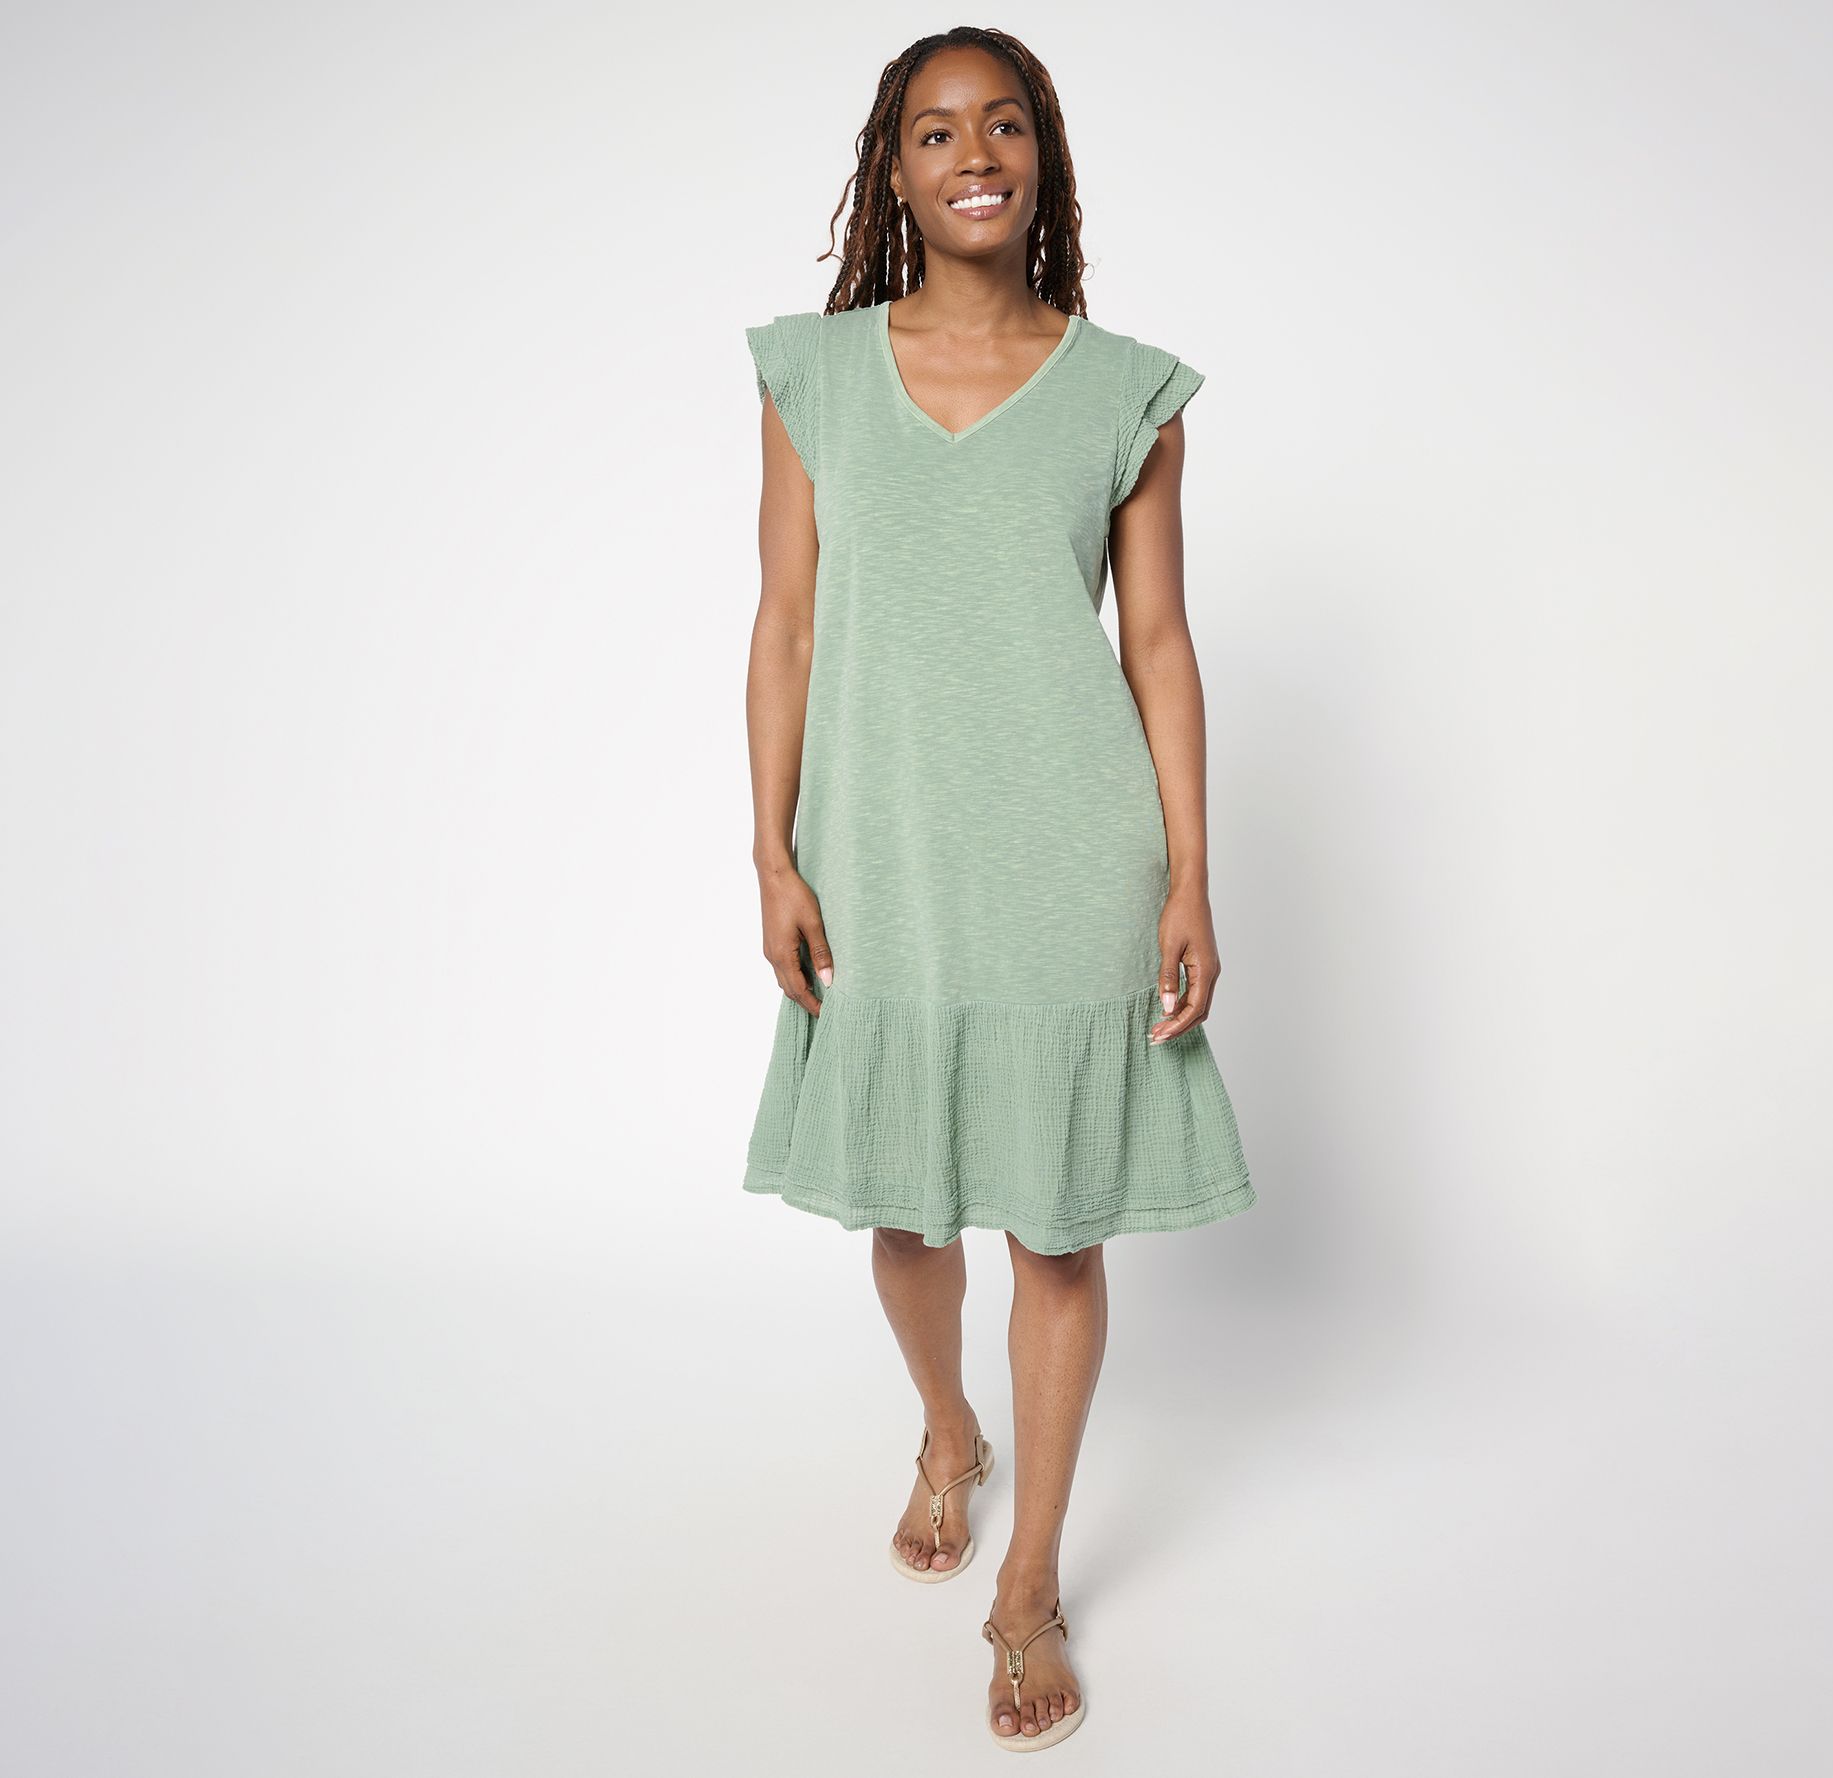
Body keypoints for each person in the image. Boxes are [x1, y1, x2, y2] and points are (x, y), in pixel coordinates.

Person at [741, 26, 1254, 1751]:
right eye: (937, 131)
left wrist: (1191, 870)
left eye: (1006, 122)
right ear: (893, 175)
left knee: (1054, 1220)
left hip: (1071, 856)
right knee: (907, 1210)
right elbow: (786, 623)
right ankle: (950, 1428)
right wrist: (772, 849)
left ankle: (1029, 1577)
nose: (976, 153)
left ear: (1046, 157)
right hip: (881, 847)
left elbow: (1160, 643)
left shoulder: (1127, 393)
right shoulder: (814, 374)